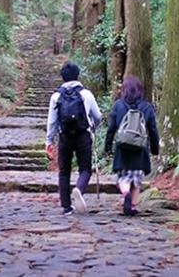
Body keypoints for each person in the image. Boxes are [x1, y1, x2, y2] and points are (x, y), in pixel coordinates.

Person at [45, 61, 103, 215]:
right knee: (85, 168)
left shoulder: (56, 96)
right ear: (78, 75)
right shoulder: (86, 94)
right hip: (83, 135)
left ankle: (66, 206)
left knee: (64, 171)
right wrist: (93, 127)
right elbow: (98, 116)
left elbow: (52, 121)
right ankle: (78, 189)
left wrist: (49, 141)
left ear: (63, 77)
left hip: (64, 137)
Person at [104, 76, 160, 216]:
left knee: (123, 178)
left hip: (122, 149)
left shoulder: (118, 105)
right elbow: (153, 130)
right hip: (140, 149)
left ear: (124, 90)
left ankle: (125, 192)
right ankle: (133, 207)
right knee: (136, 179)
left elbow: (111, 129)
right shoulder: (147, 107)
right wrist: (155, 149)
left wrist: (107, 147)